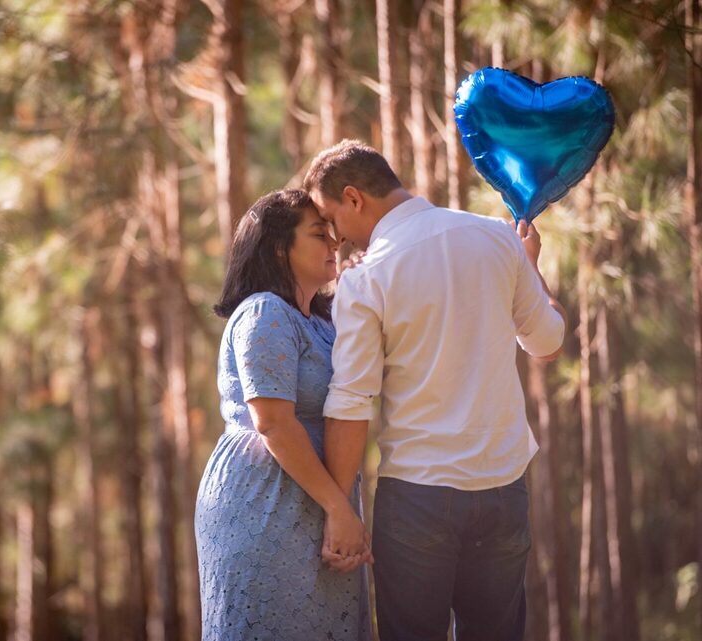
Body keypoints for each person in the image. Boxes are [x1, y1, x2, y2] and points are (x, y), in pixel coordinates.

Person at [303, 139, 567, 641]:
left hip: (417, 497)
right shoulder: (496, 237)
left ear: (354, 198)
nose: (336, 239)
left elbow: (352, 402)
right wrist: (530, 264)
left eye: (332, 220)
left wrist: (339, 509)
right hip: (502, 487)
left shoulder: (366, 277)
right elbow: (548, 344)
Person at [194, 189, 372, 641]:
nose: (334, 243)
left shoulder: (324, 322)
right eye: (318, 235)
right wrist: (338, 508)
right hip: (266, 502)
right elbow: (272, 422)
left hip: (322, 504)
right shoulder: (265, 312)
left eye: (333, 234)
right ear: (279, 248)